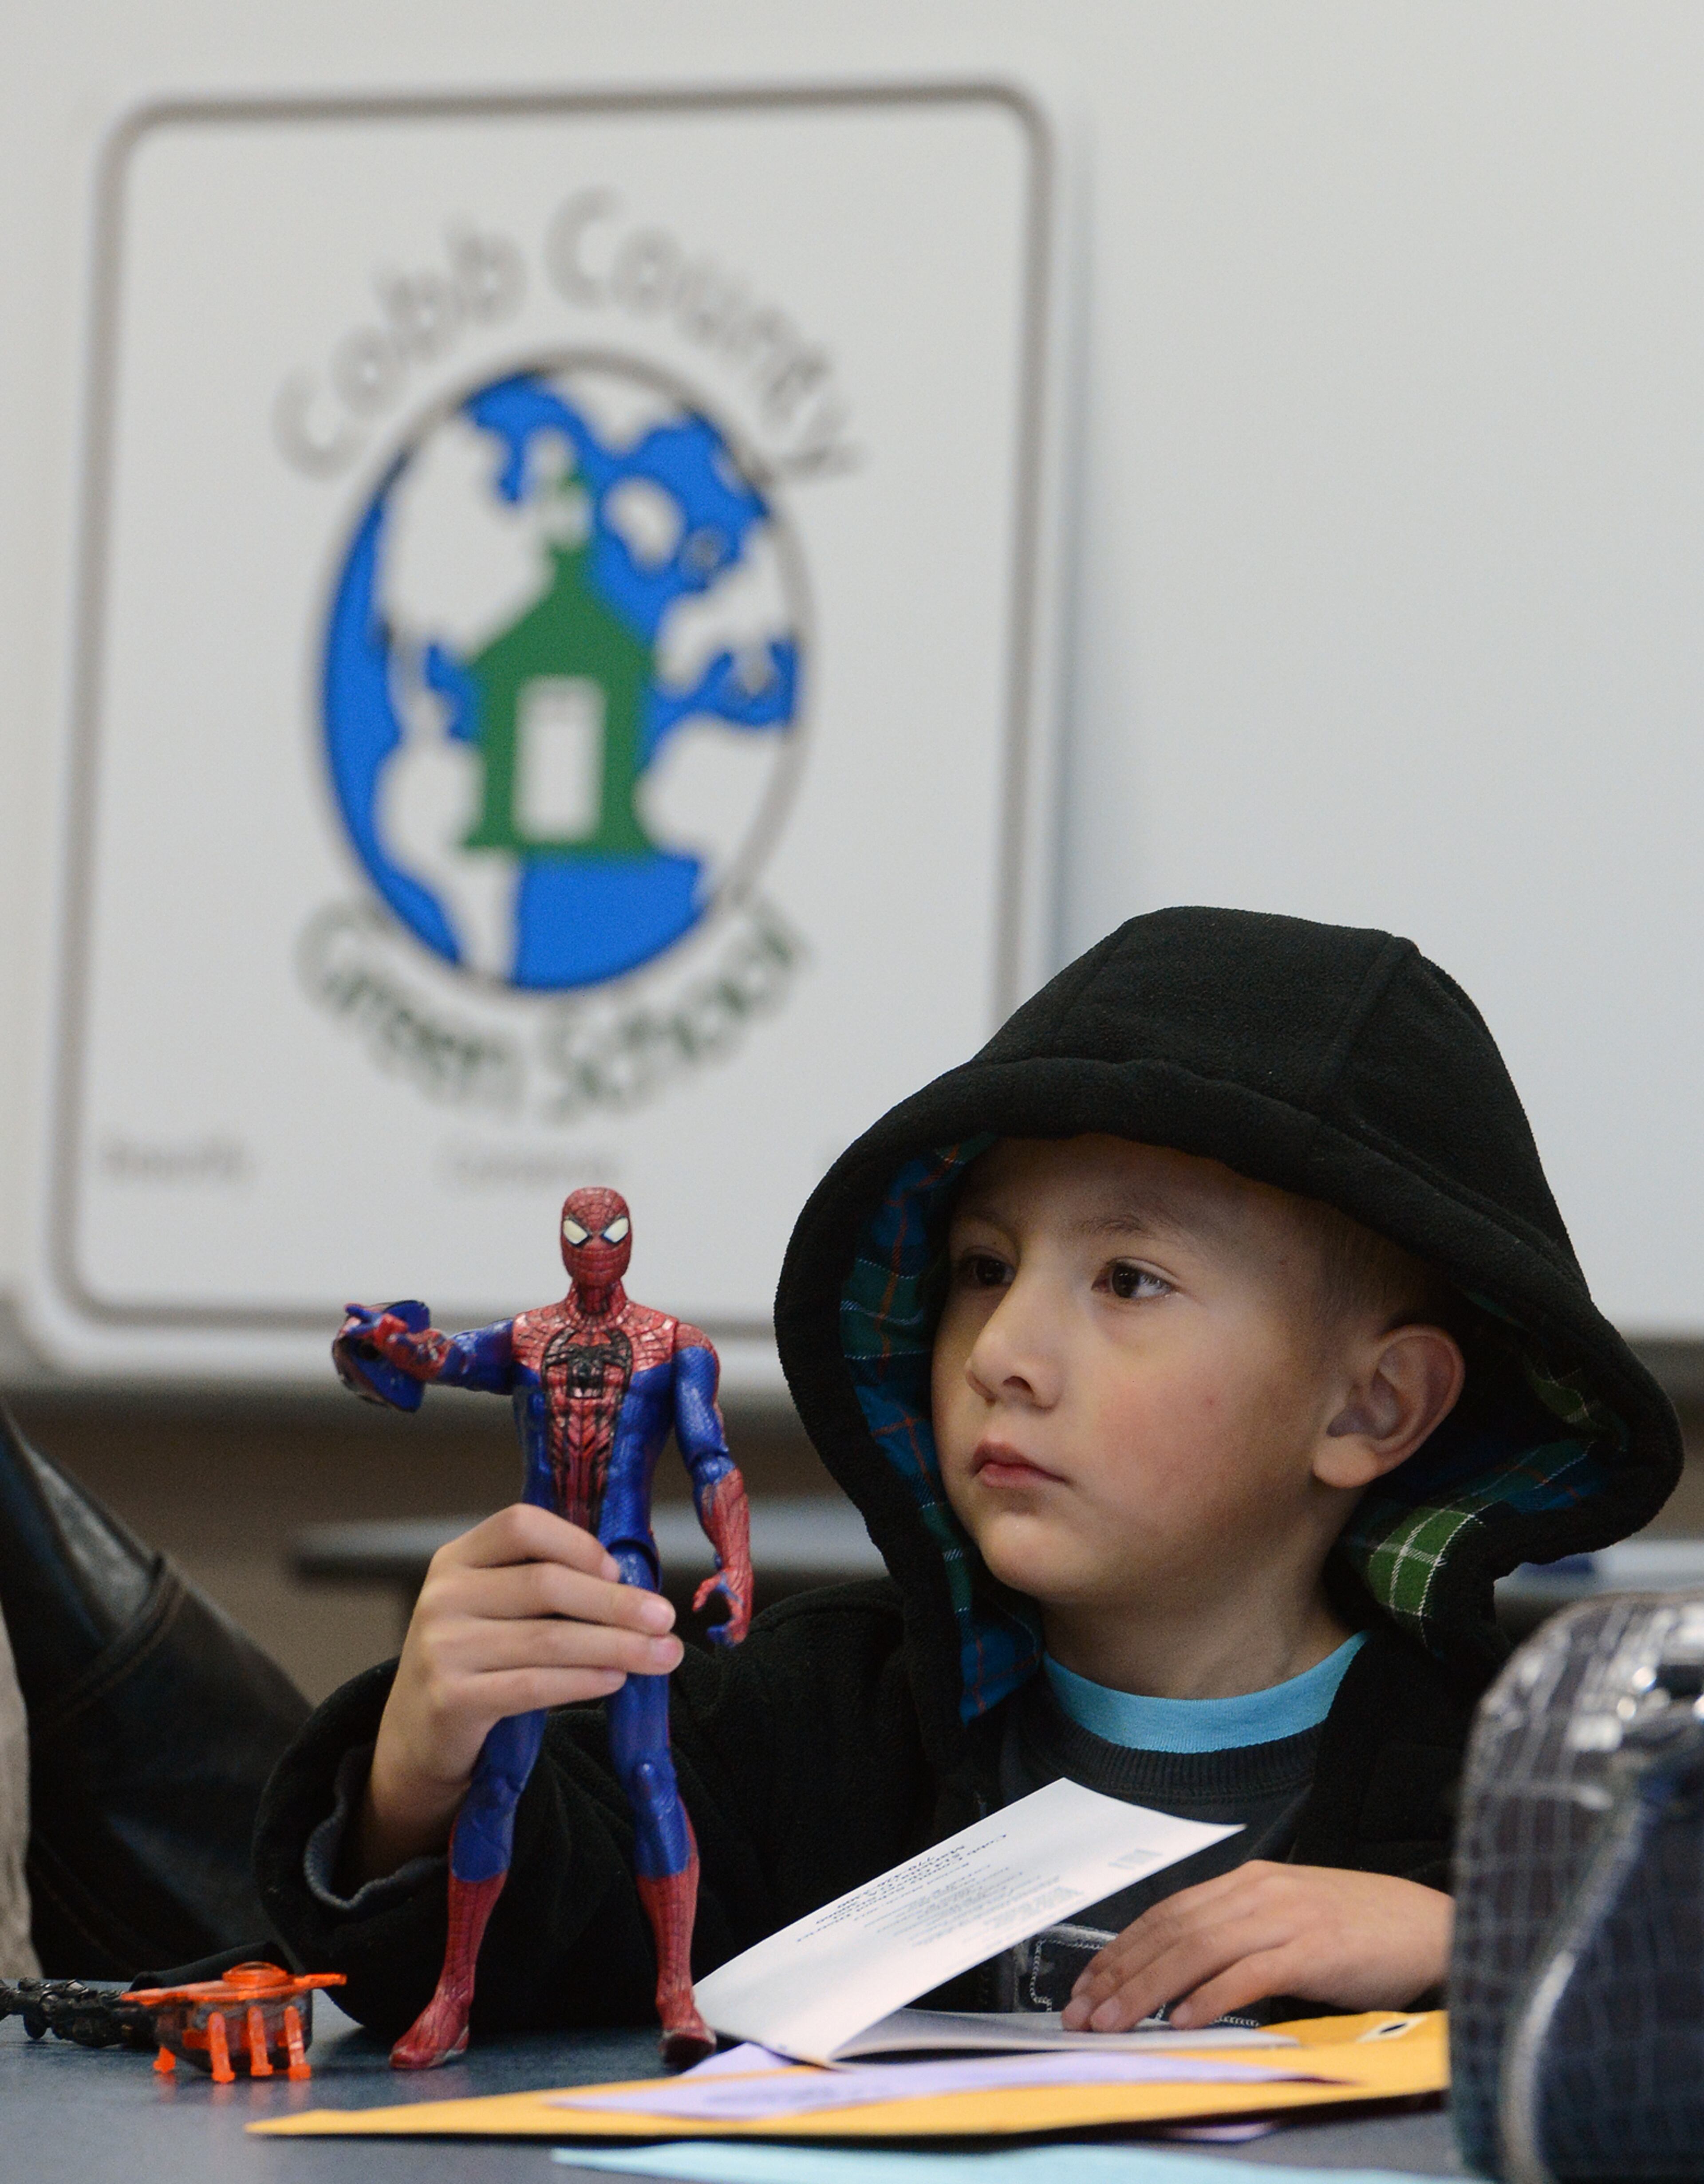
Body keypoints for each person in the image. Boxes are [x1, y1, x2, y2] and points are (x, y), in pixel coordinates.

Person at [254, 908, 1681, 2041]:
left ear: (1374, 1405)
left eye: (1128, 1279)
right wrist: (421, 1774)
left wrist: (1478, 1947)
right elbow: (513, 1969)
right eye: (984, 1267)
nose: (1003, 1350)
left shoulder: (1541, 1776)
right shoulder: (811, 1722)